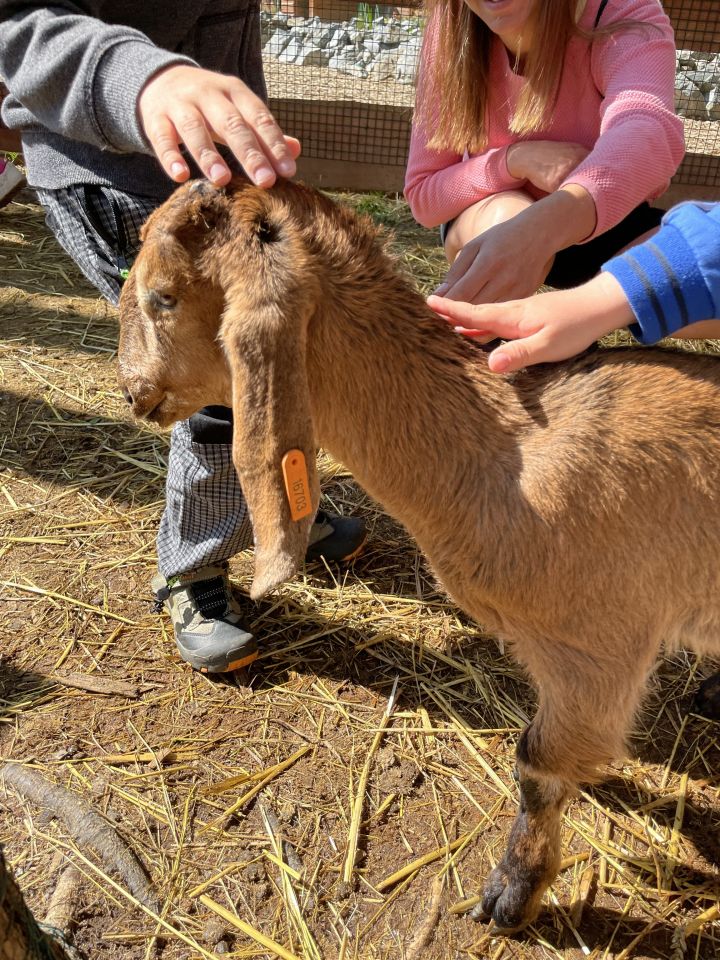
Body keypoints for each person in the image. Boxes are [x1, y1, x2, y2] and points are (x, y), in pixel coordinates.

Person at [0, 1, 366, 674]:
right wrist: (142, 80)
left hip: (217, 179)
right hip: (116, 175)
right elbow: (19, 21)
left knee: (280, 354)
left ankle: (284, 511)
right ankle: (192, 571)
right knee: (217, 386)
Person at [404, 0, 685, 307]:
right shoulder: (452, 21)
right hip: (490, 218)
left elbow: (648, 127)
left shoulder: (619, 11)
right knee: (506, 215)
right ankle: (490, 335)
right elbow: (423, 196)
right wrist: (513, 161)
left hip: (596, 219)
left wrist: (543, 228)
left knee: (699, 261)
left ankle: (567, 327)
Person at [427, 200, 720, 370]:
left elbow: (648, 139)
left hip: (610, 223)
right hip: (505, 214)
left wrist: (594, 305)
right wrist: (512, 162)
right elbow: (425, 192)